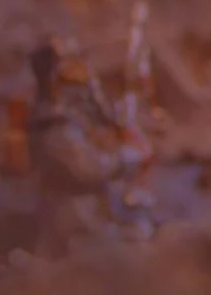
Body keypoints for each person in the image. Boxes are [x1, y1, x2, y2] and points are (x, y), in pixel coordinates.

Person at [22, 36, 155, 257]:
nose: (81, 68)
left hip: (93, 220)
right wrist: (131, 156)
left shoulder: (72, 115)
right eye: (72, 62)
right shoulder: (52, 126)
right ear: (55, 75)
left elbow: (103, 122)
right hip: (76, 229)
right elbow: (89, 170)